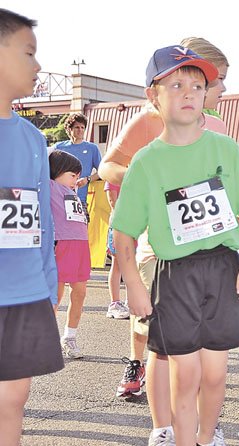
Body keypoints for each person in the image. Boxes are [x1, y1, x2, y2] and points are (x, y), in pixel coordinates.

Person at [112, 44, 239, 446]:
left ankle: (206, 436)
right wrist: (135, 286)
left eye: (197, 86)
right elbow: (124, 233)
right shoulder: (146, 161)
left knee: (215, 373)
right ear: (152, 96)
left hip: (223, 268)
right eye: (175, 84)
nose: (188, 93)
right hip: (174, 274)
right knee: (186, 373)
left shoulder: (226, 148)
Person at [0, 10, 64, 445]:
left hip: (25, 291)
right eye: (28, 53)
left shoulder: (33, 138)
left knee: (14, 396)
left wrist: (48, 282)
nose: (38, 65)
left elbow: (39, 216)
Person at [49, 150, 91, 358]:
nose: (76, 179)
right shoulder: (49, 187)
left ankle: (69, 336)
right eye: (72, 175)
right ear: (55, 172)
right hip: (60, 243)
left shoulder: (72, 191)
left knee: (80, 292)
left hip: (80, 244)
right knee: (55, 296)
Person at [51, 113, 102, 210]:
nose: (80, 130)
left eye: (82, 127)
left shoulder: (92, 148)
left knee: (82, 225)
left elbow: (102, 172)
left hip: (80, 200)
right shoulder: (58, 147)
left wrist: (87, 179)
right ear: (69, 129)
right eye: (77, 127)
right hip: (59, 198)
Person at [104, 180, 130, 320]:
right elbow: (113, 203)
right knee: (117, 265)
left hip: (136, 226)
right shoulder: (112, 177)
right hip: (119, 226)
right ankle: (114, 304)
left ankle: (130, 300)